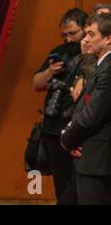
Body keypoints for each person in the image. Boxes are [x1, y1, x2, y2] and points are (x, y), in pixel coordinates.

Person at [32, 8, 88, 203]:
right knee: (61, 185)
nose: (69, 39)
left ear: (86, 28)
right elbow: (36, 84)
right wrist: (49, 72)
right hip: (52, 130)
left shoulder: (91, 54)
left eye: (73, 33)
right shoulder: (58, 51)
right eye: (64, 35)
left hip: (77, 131)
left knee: (80, 188)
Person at [61, 13, 111, 204]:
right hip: (90, 157)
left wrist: (67, 137)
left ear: (108, 38)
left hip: (97, 160)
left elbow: (93, 113)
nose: (86, 39)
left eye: (91, 34)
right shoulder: (102, 65)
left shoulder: (109, 67)